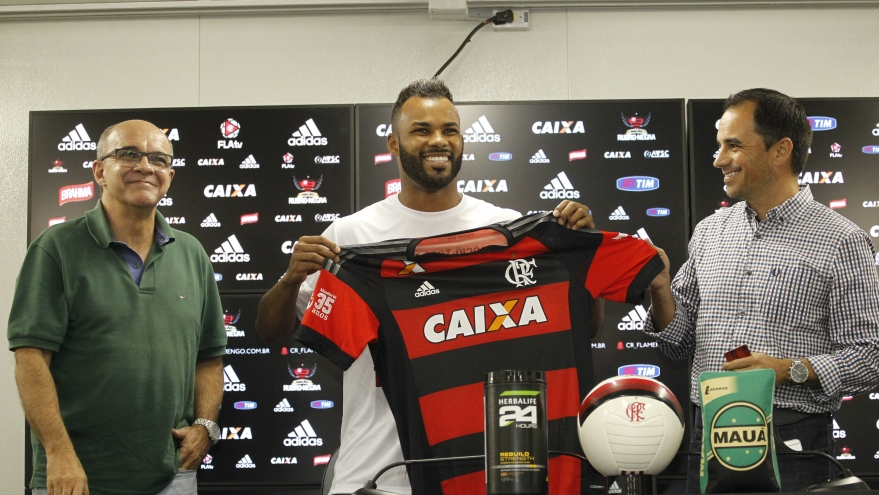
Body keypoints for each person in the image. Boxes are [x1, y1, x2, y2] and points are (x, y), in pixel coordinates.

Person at [256, 78, 600, 495]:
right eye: (421, 130)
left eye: (449, 130)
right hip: (376, 474)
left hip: (479, 473)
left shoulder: (509, 230)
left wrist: (582, 260)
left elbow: (581, 326)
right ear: (394, 144)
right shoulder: (351, 237)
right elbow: (274, 329)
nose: (438, 140)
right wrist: (292, 280)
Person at [645, 88, 879, 492]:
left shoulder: (842, 240)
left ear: (780, 150)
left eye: (733, 146)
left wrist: (788, 371)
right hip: (708, 438)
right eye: (720, 146)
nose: (719, 160)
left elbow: (870, 357)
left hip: (792, 445)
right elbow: (678, 344)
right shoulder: (709, 232)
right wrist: (661, 289)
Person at [8, 120, 227, 495]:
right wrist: (59, 454)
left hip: (172, 476)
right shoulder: (56, 248)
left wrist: (205, 426)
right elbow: (30, 361)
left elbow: (208, 359)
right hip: (77, 477)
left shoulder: (192, 253)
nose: (145, 167)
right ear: (99, 171)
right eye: (129, 154)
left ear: (169, 176)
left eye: (158, 159)